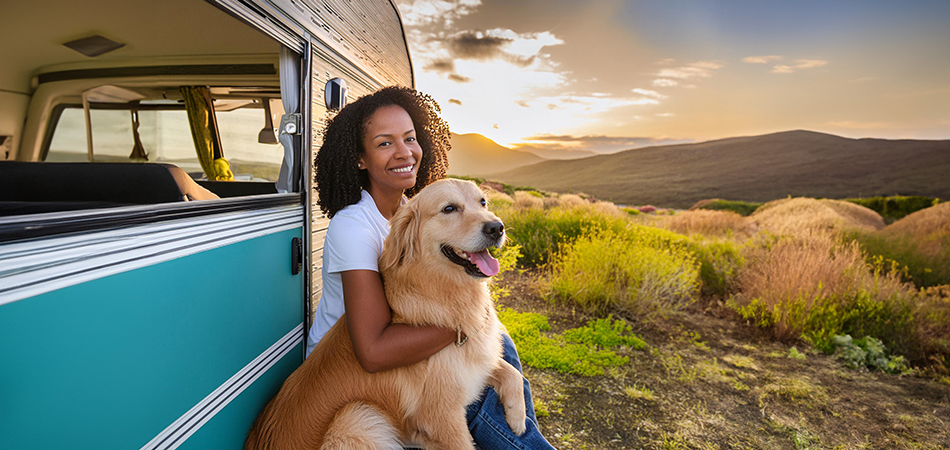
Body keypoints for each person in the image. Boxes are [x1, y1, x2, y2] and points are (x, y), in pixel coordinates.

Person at [306, 85, 556, 449]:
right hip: (356, 370)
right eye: (384, 143)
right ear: (359, 158)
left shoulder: (412, 208)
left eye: (409, 138)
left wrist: (476, 325)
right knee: (474, 383)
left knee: (502, 347)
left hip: (407, 341)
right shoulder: (354, 227)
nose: (404, 151)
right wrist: (466, 327)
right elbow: (373, 351)